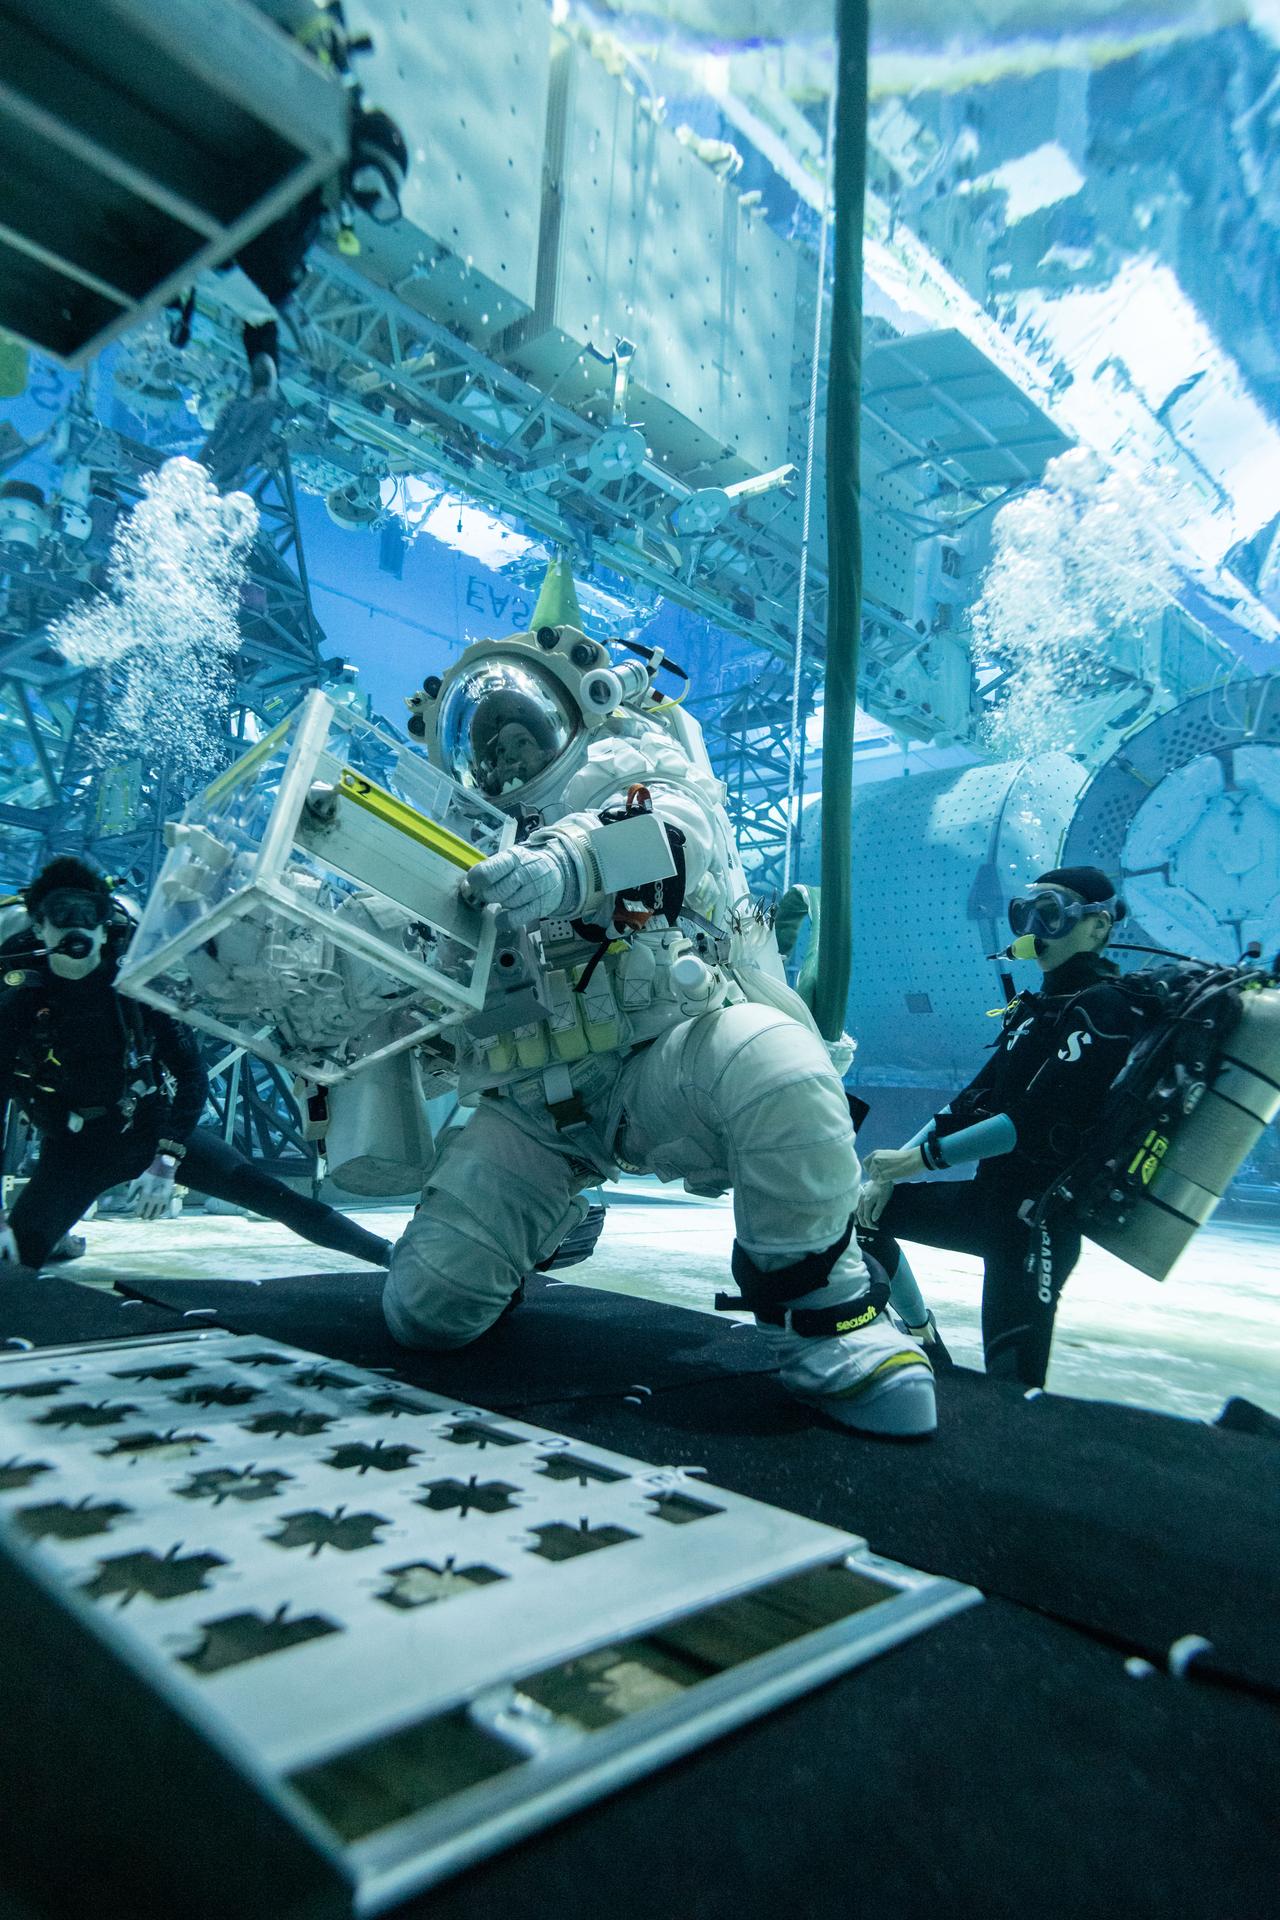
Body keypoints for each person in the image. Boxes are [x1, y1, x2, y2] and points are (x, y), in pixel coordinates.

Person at [386, 622, 937, 1438]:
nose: (503, 759)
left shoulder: (632, 777)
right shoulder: (445, 845)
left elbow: (672, 831)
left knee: (776, 1063)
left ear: (568, 724)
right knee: (425, 1313)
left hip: (668, 1065)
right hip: (532, 1110)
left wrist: (564, 863)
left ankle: (828, 1314)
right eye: (486, 747)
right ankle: (548, 1227)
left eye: (519, 735)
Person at [0, 856, 394, 1275]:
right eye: (62, 914)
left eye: (90, 913)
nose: (77, 928)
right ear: (39, 926)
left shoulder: (134, 983)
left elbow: (190, 1074)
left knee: (274, 1198)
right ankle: (54, 1237)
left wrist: (166, 1158)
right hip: (72, 1150)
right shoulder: (18, 997)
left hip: (152, 1130)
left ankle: (390, 1255)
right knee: (13, 1262)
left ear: (104, 926)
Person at [856, 866, 1144, 1388]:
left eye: (1051, 914)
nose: (1034, 928)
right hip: (986, 1205)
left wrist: (912, 1162)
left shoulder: (1104, 1008)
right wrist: (887, 1176)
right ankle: (924, 1340)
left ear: (1098, 927)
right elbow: (970, 1102)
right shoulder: (1035, 1011)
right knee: (864, 1215)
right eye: (1024, 914)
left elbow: (1029, 1124)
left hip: (1035, 1228)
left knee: (1015, 1389)